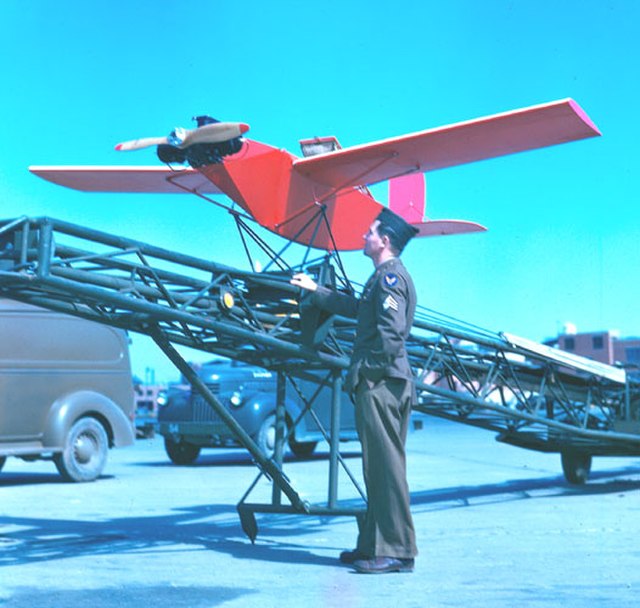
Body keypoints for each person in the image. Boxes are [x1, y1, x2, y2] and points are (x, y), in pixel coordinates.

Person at [291, 207, 419, 574]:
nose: (364, 236)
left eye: (370, 232)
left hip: (383, 383)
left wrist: (366, 373)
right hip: (379, 382)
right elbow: (358, 309)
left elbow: (391, 336)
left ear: (385, 241)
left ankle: (397, 550)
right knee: (375, 468)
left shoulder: (391, 279)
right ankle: (374, 545)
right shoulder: (380, 278)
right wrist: (318, 292)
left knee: (386, 468)